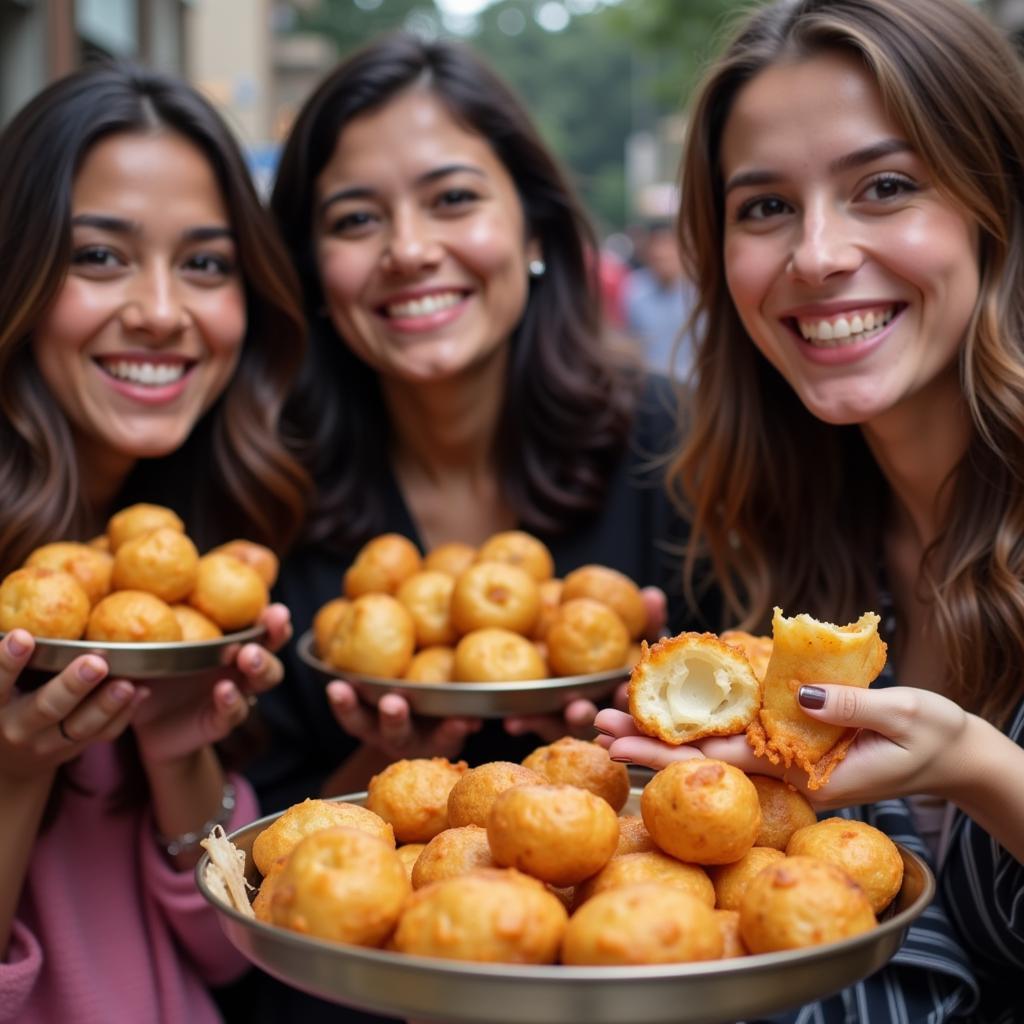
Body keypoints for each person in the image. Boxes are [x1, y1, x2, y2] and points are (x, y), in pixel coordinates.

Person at [596, 0, 1024, 1020]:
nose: (817, 254)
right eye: (763, 208)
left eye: (884, 186)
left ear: (993, 202)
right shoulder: (764, 544)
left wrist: (978, 769)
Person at [242, 29, 712, 827]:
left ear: (533, 231)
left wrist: (655, 726)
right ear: (313, 267)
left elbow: (753, 794)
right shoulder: (270, 489)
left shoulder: (675, 445)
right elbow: (270, 848)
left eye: (453, 199)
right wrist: (389, 756)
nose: (410, 250)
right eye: (356, 219)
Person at [0, 63, 310, 1023]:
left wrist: (179, 755)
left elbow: (218, 957)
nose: (165, 311)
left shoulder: (198, 549)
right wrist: (16, 773)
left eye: (207, 265)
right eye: (100, 257)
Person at [623, 219, 698, 379]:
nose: (662, 253)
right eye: (656, 246)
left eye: (668, 246)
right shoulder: (632, 289)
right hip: (649, 383)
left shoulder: (700, 292)